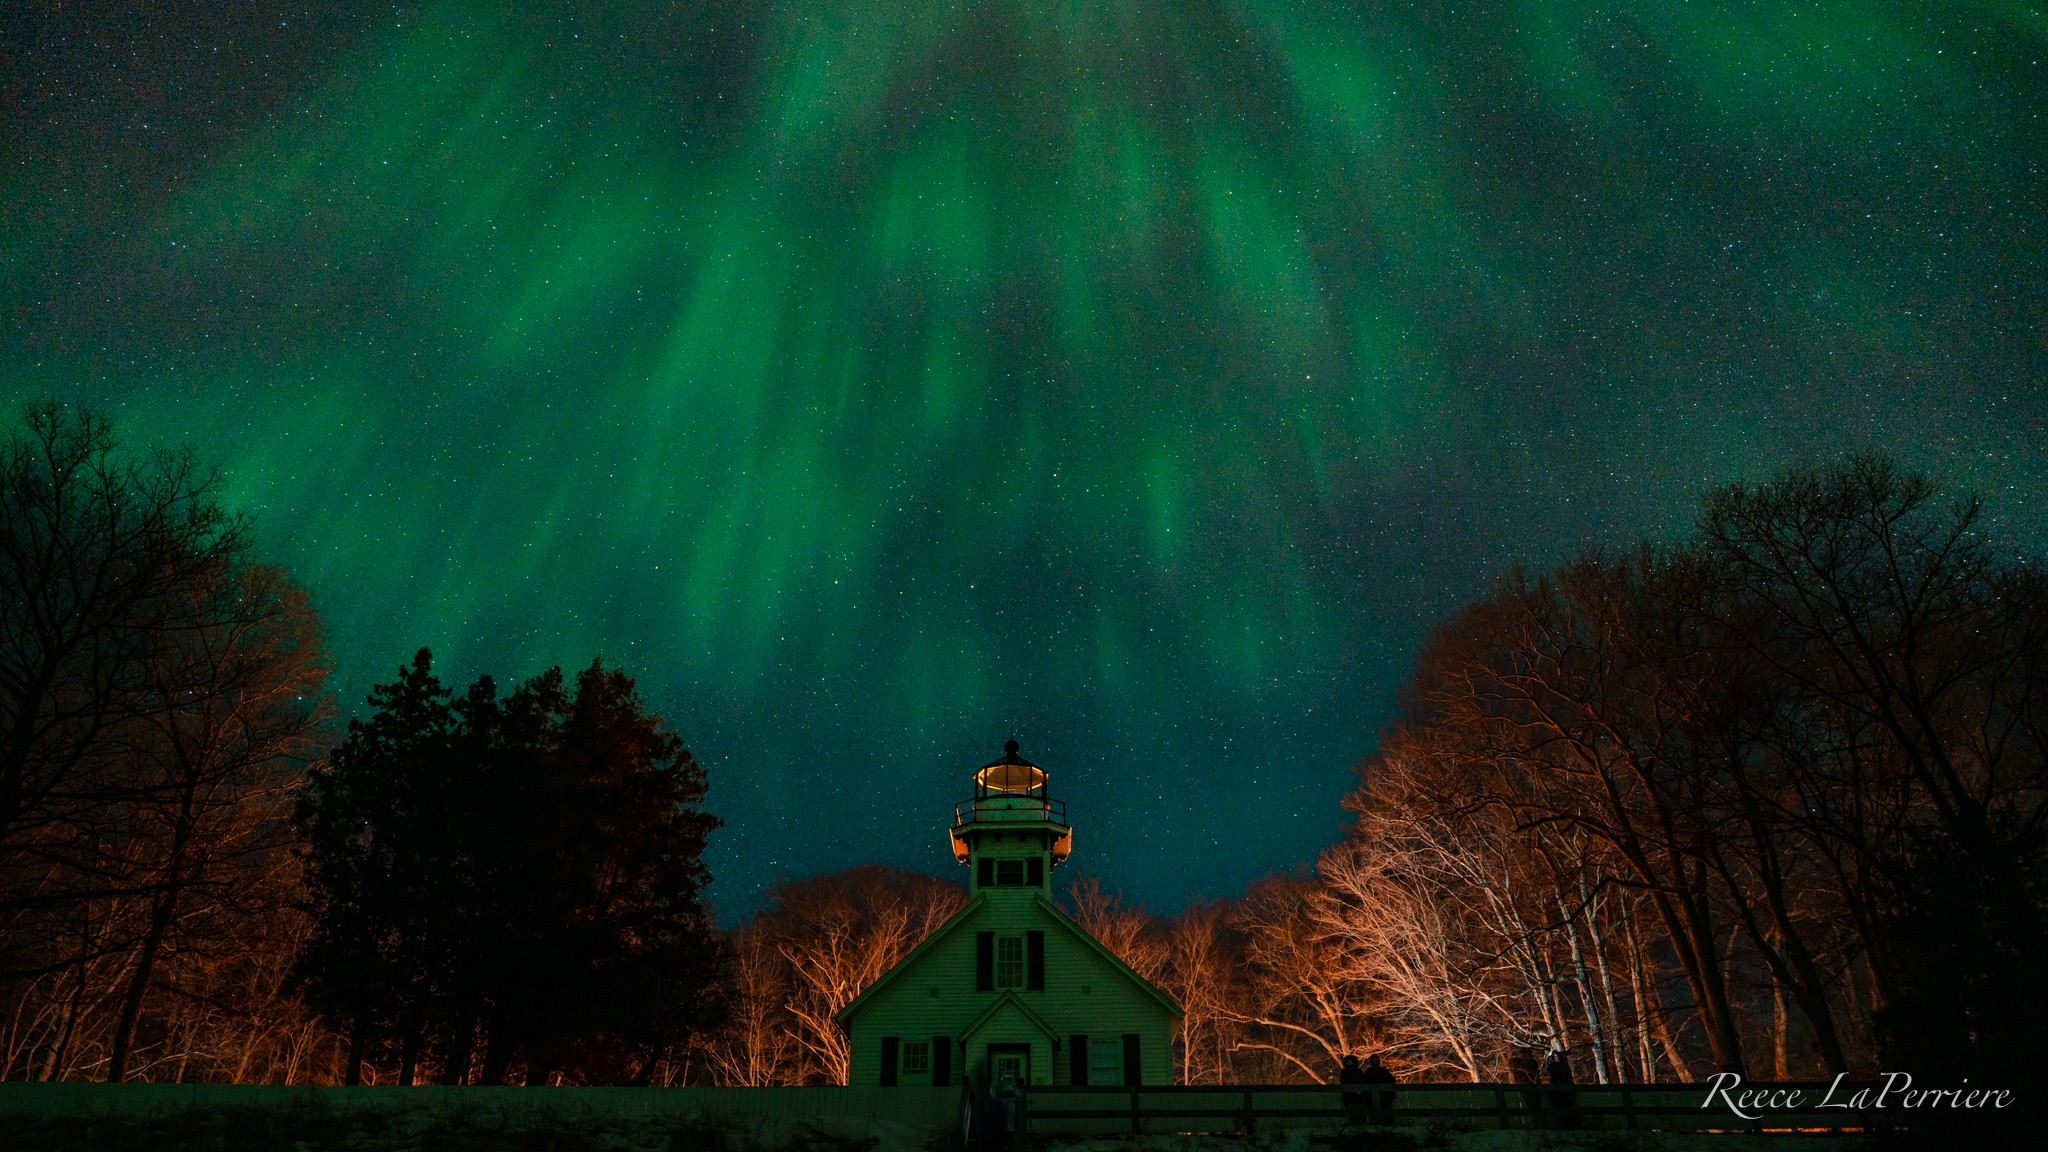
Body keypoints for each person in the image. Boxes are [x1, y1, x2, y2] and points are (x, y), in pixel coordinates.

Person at [1540, 1043, 1576, 1126]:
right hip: (1564, 1089)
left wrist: (1548, 1056)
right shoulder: (1563, 1067)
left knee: (1560, 1107)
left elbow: (1547, 1066)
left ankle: (1565, 1124)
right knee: (1566, 1108)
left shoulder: (1555, 1067)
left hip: (1557, 1089)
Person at [1359, 1053, 1397, 1123]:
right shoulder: (1370, 1072)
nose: (1375, 1062)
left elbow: (1392, 1080)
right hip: (1375, 1098)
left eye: (1376, 1060)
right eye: (1374, 1061)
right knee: (1375, 1115)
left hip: (1384, 1098)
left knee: (1384, 1115)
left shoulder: (1382, 1071)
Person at [1337, 1054, 1370, 1125]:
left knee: (1360, 1111)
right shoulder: (1344, 1071)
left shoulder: (1358, 1071)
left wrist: (1359, 1090)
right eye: (1348, 1061)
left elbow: (1362, 1081)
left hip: (1359, 1095)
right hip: (1350, 1096)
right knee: (1352, 1112)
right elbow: (1343, 1082)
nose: (1349, 1063)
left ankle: (1360, 1125)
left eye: (1350, 1061)